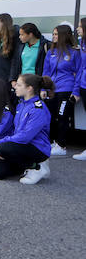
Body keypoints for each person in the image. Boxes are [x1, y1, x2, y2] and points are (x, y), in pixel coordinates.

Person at [0, 74, 53, 184]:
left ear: (29, 88)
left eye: (19, 85)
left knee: (2, 148)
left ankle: (37, 167)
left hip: (37, 147)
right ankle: (25, 166)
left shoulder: (38, 108)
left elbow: (25, 137)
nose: (15, 87)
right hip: (21, 145)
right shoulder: (21, 104)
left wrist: (2, 141)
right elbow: (16, 131)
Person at [42, 24, 82, 157]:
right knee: (50, 116)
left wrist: (76, 92)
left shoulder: (75, 52)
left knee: (62, 116)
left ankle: (62, 145)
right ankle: (53, 141)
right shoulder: (50, 52)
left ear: (64, 36)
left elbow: (79, 73)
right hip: (52, 90)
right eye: (53, 34)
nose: (53, 37)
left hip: (66, 89)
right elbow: (46, 72)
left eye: (56, 34)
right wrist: (43, 88)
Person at [0, 13, 20, 83]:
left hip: (7, 76)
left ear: (4, 23)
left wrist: (12, 78)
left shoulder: (14, 38)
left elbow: (15, 60)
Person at [75, 19, 86, 161]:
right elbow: (80, 67)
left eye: (79, 26)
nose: (77, 29)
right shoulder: (82, 43)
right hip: (84, 85)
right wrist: (76, 90)